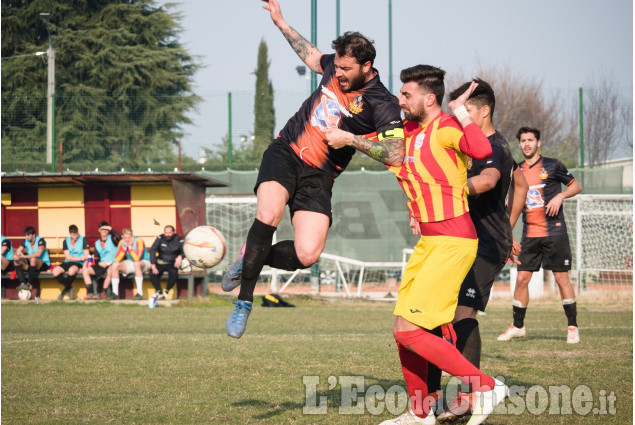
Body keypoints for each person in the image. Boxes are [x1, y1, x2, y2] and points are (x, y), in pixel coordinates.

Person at [221, 0, 405, 338]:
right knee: (269, 214)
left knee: (307, 254)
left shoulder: (383, 103)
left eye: (346, 69)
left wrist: (350, 139)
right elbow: (309, 54)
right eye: (337, 66)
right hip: (287, 152)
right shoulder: (335, 66)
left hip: (320, 175)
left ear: (367, 65)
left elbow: (395, 154)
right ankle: (244, 301)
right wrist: (281, 22)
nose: (338, 73)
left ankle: (250, 258)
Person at [358, 65, 507, 425]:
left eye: (407, 94)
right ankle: (420, 413)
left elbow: (481, 147)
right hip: (430, 241)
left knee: (412, 330)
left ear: (429, 98)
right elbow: (387, 150)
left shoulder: (446, 127)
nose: (400, 100)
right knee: (402, 330)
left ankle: (486, 387)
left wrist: (457, 109)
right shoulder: (411, 131)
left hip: (454, 241)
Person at [426, 79, 529, 422]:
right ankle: (442, 396)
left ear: (484, 111)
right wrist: (508, 225)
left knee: (461, 315)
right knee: (440, 316)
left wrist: (444, 192)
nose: (459, 115)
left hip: (484, 246)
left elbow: (486, 182)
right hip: (466, 239)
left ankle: (473, 396)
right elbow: (522, 182)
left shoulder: (494, 146)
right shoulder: (468, 142)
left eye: (466, 109)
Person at [497, 127, 582, 344]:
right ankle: (518, 326)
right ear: (519, 144)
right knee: (522, 279)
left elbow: (576, 186)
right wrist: (507, 234)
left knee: (561, 277)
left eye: (530, 140)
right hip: (530, 235)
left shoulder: (553, 165)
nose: (526, 144)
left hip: (555, 232)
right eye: (523, 141)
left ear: (538, 143)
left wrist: (560, 196)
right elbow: (510, 202)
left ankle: (572, 326)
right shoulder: (516, 171)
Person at [82, 221, 120, 300]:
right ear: (99, 230)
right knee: (86, 271)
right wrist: (99, 263)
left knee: (110, 271)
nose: (104, 231)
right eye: (102, 229)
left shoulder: (113, 239)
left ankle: (103, 293)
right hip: (102, 264)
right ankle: (91, 293)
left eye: (106, 229)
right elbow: (96, 258)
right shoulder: (97, 243)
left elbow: (119, 237)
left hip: (113, 263)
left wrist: (110, 229)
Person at [52, 224, 90, 300]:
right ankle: (70, 288)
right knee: (55, 271)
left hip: (79, 263)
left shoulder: (83, 239)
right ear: (70, 234)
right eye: (73, 234)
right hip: (69, 261)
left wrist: (84, 265)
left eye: (76, 234)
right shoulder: (66, 241)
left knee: (72, 270)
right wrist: (80, 258)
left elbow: (87, 255)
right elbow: (68, 257)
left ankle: (64, 292)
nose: (75, 236)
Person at [111, 228, 151, 300]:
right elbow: (117, 259)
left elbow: (137, 259)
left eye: (129, 237)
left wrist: (130, 248)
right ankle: (115, 293)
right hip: (131, 262)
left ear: (132, 237)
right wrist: (124, 248)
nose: (127, 240)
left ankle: (139, 293)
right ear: (123, 237)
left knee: (136, 264)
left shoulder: (139, 241)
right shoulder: (121, 242)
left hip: (144, 262)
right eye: (125, 238)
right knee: (115, 265)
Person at [149, 225, 184, 299]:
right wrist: (153, 264)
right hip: (160, 262)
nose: (167, 234)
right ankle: (159, 292)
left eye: (169, 232)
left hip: (172, 263)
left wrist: (180, 256)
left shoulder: (179, 239)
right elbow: (152, 250)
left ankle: (166, 292)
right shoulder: (160, 238)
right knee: (152, 273)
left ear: (174, 232)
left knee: (174, 274)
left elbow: (184, 251)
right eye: (166, 232)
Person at [13, 226, 51, 292]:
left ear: (33, 235)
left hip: (42, 264)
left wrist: (25, 256)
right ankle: (23, 283)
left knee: (33, 259)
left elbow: (38, 254)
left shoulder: (41, 241)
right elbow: (18, 250)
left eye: (28, 235)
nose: (26, 237)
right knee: (16, 260)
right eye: (26, 235)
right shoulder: (25, 241)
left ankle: (29, 283)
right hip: (31, 265)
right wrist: (16, 255)